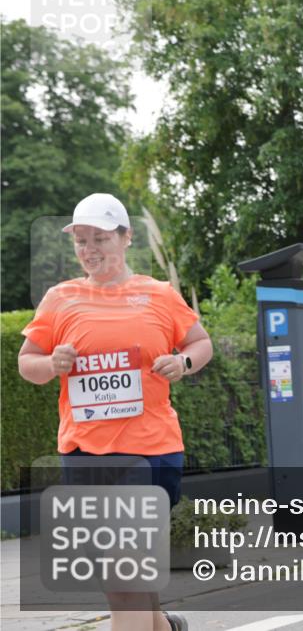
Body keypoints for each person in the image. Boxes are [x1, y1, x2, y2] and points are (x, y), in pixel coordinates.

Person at [17, 193, 213, 631]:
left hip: (150, 450)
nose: (89, 249)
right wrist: (51, 364)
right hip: (84, 454)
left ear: (126, 238)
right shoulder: (60, 298)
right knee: (125, 573)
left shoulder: (158, 294)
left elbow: (200, 343)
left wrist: (182, 362)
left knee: (122, 570)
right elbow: (27, 362)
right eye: (81, 240)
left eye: (100, 238)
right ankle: (164, 626)